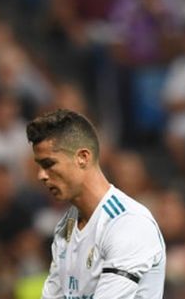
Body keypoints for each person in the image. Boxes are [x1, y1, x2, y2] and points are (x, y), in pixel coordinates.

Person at [27, 109, 165, 299]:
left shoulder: (127, 223)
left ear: (83, 157)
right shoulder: (65, 226)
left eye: (49, 164)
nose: (41, 175)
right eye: (39, 166)